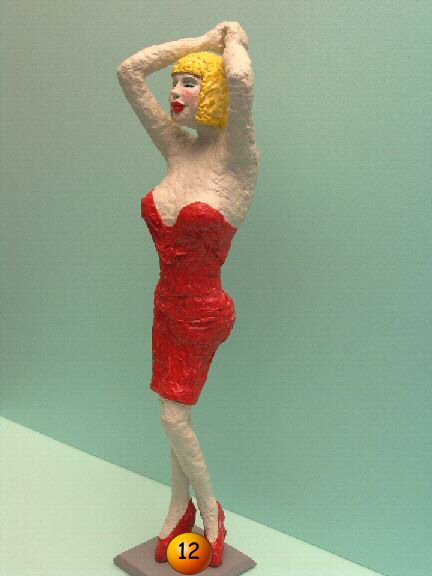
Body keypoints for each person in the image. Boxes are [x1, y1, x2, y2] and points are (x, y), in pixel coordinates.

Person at [117, 21, 259, 567]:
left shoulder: (239, 161)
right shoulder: (178, 151)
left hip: (202, 312)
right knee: (174, 410)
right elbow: (130, 71)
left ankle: (211, 510)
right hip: (164, 305)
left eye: (190, 83)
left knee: (173, 417)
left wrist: (231, 41)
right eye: (173, 82)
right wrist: (198, 43)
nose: (175, 92)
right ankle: (178, 510)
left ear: (215, 90)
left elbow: (242, 81)